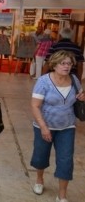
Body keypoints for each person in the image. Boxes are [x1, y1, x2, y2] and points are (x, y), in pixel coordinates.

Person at [30, 50, 85, 202]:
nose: (67, 66)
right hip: (44, 125)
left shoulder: (74, 79)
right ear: (54, 65)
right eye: (63, 63)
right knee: (41, 156)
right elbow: (35, 106)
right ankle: (39, 180)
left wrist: (82, 96)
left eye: (69, 63)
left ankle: (62, 195)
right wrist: (43, 127)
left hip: (67, 127)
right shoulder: (43, 81)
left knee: (65, 160)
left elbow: (80, 96)